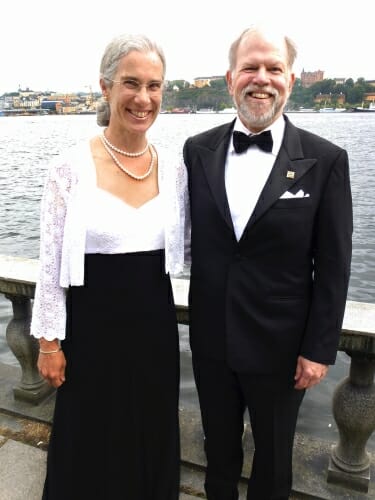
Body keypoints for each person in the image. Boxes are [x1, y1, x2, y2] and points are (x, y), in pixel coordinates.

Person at [183, 24, 353, 500]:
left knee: (275, 463)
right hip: (212, 339)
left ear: (291, 80)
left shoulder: (326, 160)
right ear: (230, 77)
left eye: (274, 68)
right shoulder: (197, 150)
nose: (262, 78)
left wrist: (320, 349)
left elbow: (335, 266)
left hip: (282, 350)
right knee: (217, 452)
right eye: (250, 67)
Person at [30, 33, 188, 500]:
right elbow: (50, 264)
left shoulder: (174, 167)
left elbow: (198, 247)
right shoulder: (69, 169)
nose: (144, 98)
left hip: (155, 331)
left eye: (155, 86)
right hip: (91, 334)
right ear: (106, 86)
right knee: (89, 441)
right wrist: (48, 342)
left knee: (151, 436)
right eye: (131, 83)